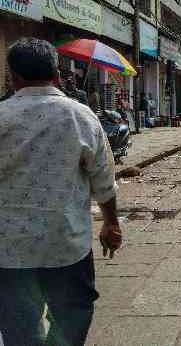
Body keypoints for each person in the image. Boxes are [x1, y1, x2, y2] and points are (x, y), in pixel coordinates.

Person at [0, 38, 122, 346]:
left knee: (20, 332)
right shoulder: (80, 116)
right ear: (57, 75)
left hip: (9, 250)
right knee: (71, 319)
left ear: (13, 77)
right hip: (65, 246)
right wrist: (111, 222)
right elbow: (104, 180)